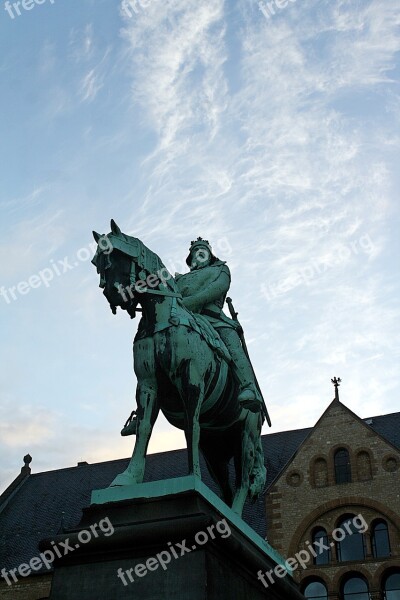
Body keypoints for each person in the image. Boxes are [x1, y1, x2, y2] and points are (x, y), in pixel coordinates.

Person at [175, 237, 263, 413]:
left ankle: (248, 388)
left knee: (232, 345)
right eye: (195, 252)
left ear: (209, 254)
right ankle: (144, 408)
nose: (199, 254)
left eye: (202, 251)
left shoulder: (221, 270)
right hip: (184, 319)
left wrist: (188, 302)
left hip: (213, 319)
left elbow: (215, 290)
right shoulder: (180, 279)